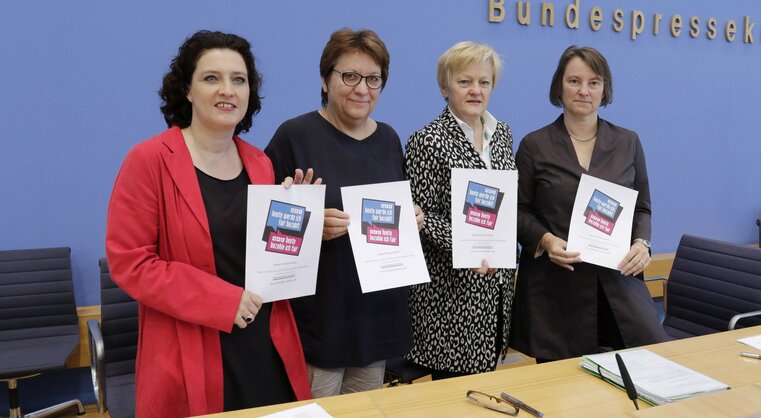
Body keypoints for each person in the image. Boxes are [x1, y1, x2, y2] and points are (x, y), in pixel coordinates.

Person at [105, 31, 311, 417]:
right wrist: (222, 300)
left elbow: (265, 260)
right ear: (187, 89)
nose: (227, 90)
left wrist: (298, 217)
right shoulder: (149, 160)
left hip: (265, 345)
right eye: (211, 78)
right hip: (191, 348)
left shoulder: (260, 163)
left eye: (239, 79)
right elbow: (130, 263)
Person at [264, 28, 422, 398]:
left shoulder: (388, 138)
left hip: (374, 317)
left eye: (373, 79)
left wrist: (412, 217)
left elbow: (390, 212)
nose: (362, 89)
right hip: (320, 320)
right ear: (325, 79)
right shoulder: (294, 136)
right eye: (349, 76)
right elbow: (262, 229)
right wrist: (308, 225)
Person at [511, 45, 669, 362]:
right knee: (562, 395)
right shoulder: (534, 145)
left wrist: (642, 243)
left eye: (593, 82)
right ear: (559, 86)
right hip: (557, 289)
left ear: (604, 89)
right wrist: (545, 239)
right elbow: (517, 211)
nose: (584, 91)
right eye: (574, 81)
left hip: (617, 283)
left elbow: (642, 207)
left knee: (640, 372)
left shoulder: (628, 142)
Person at [403, 41, 516, 379]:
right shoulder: (427, 140)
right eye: (464, 81)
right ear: (444, 87)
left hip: (494, 290)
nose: (475, 90)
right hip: (450, 297)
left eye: (484, 82)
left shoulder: (503, 134)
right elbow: (422, 218)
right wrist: (471, 248)